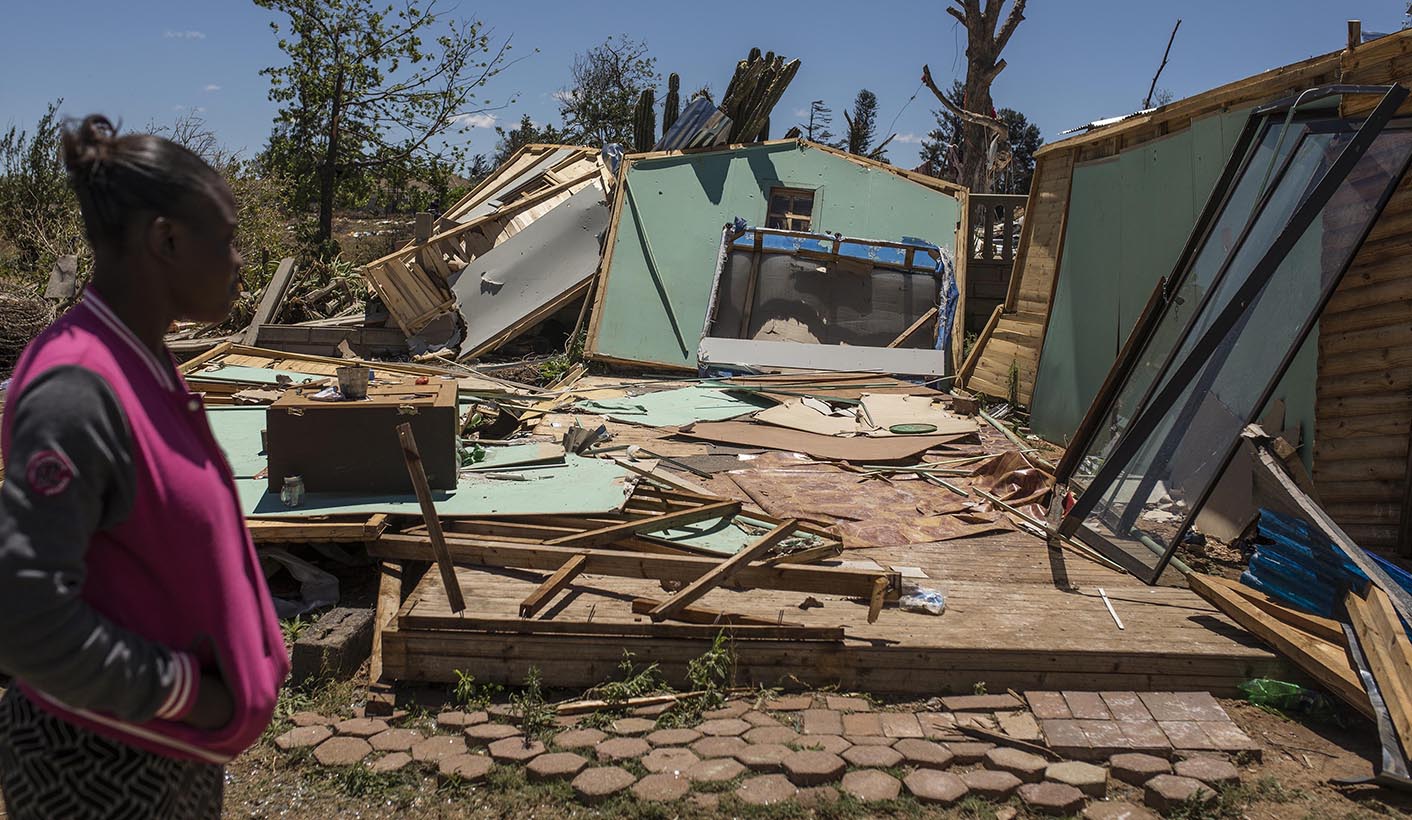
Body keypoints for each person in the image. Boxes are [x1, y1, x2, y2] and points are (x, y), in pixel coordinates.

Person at [0, 115, 288, 819]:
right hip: (95, 765)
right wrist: (185, 691)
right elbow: (24, 617)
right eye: (226, 239)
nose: (240, 260)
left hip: (162, 752)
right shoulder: (79, 388)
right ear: (166, 241)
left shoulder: (144, 362)